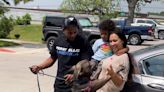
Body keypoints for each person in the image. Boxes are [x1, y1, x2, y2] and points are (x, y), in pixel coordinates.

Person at [29, 16, 93, 92]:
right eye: (69, 33)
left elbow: (85, 64)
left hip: (78, 85)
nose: (73, 35)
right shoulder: (58, 41)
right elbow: (52, 58)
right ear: (63, 30)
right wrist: (39, 67)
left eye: (75, 32)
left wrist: (74, 75)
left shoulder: (83, 42)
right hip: (60, 85)